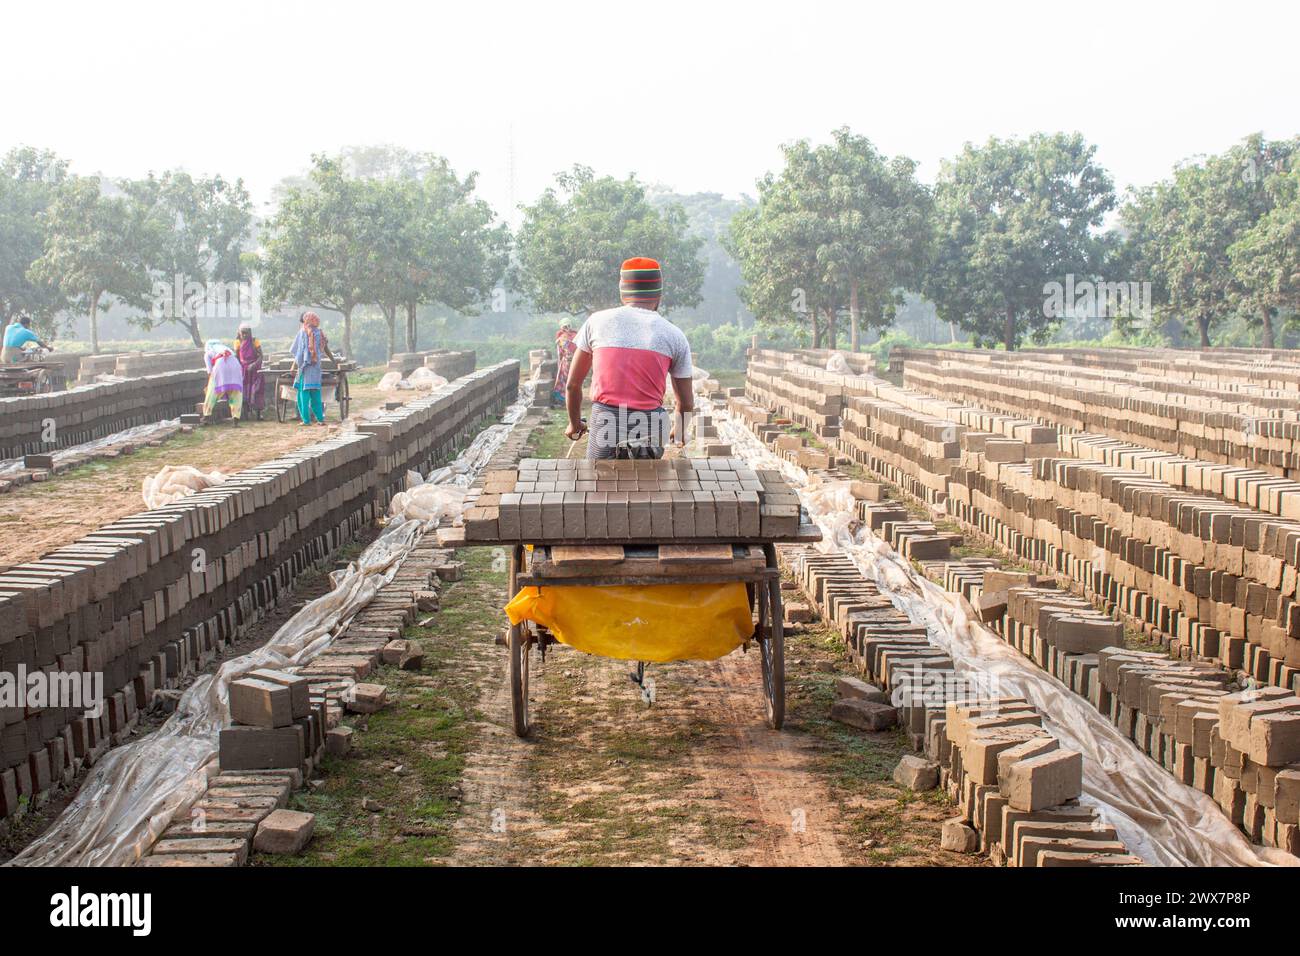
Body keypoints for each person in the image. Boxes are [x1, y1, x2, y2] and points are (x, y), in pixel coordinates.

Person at [565, 257, 694, 460]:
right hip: (651, 428)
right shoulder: (674, 335)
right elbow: (685, 403)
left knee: (600, 485)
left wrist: (574, 423)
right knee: (646, 486)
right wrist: (678, 431)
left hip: (604, 426)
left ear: (622, 291)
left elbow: (572, 385)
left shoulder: (596, 322)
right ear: (658, 294)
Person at [290, 311, 335, 426]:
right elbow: (326, 349)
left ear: (305, 321)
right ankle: (320, 419)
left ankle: (306, 420)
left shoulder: (302, 332)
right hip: (316, 368)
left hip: (305, 368)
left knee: (303, 395)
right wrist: (333, 360)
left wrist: (293, 366)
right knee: (316, 394)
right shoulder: (320, 333)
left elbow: (299, 352)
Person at [202, 339, 244, 423]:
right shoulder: (226, 348)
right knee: (235, 393)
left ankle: (206, 416)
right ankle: (236, 418)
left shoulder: (208, 353)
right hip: (235, 365)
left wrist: (209, 385)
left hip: (220, 365)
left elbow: (210, 372)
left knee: (212, 391)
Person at [234, 322, 265, 420]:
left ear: (250, 332)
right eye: (242, 333)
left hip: (255, 370)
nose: (244, 335)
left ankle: (258, 415)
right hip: (244, 371)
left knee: (257, 391)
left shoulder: (255, 341)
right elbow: (237, 358)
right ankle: (246, 416)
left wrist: (253, 365)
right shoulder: (237, 342)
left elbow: (261, 356)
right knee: (244, 392)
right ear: (239, 333)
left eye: (246, 333)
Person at [552, 319, 577, 405]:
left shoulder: (561, 337)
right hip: (576, 361)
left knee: (565, 380)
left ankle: (564, 399)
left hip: (567, 361)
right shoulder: (576, 335)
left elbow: (560, 353)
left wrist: (560, 363)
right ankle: (573, 399)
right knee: (574, 380)